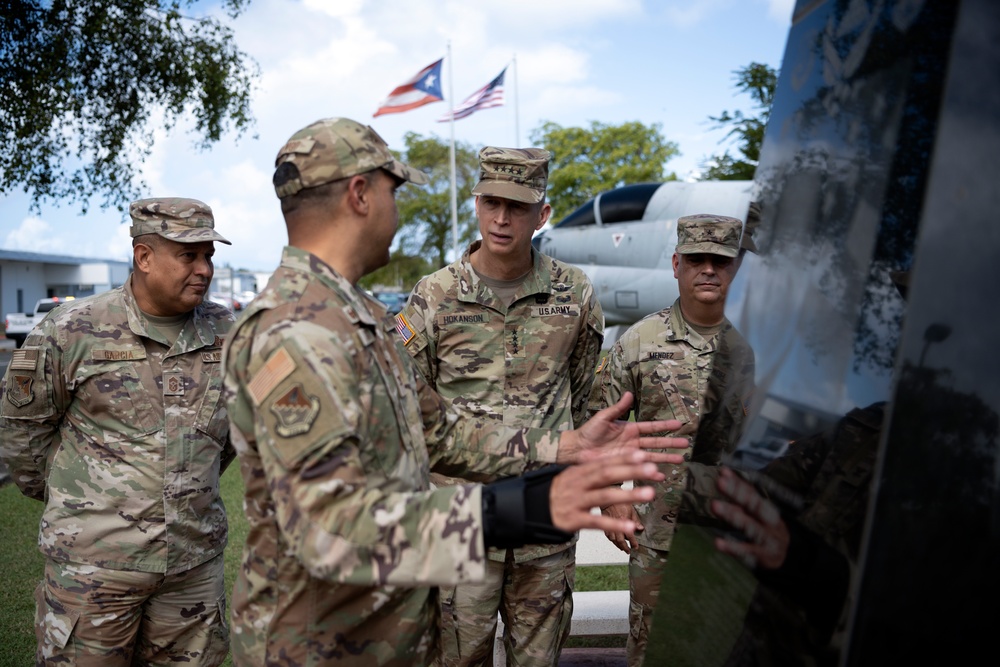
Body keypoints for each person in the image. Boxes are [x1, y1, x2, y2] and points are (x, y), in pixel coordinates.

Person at [221, 117, 691, 667]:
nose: (399, 211)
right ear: (360, 194)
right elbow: (328, 530)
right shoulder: (297, 332)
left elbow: (436, 430)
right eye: (394, 191)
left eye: (517, 206)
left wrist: (565, 450)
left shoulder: (357, 318)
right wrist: (515, 510)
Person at [0, 198, 235, 666]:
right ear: (144, 257)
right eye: (188, 255)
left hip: (191, 567)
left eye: (208, 255)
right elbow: (22, 430)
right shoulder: (73, 329)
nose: (204, 269)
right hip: (93, 570)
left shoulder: (229, 331)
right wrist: (79, 502)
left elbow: (227, 437)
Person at [400, 146, 604, 666]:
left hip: (545, 516)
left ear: (543, 214)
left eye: (517, 206)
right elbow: (407, 408)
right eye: (491, 202)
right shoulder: (436, 295)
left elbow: (583, 399)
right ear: (475, 204)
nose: (502, 217)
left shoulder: (574, 293)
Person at [590, 213, 756, 667]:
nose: (708, 270)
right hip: (660, 532)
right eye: (697, 259)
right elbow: (602, 426)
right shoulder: (640, 341)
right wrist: (611, 497)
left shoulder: (758, 343)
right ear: (676, 264)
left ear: (735, 269)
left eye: (720, 261)